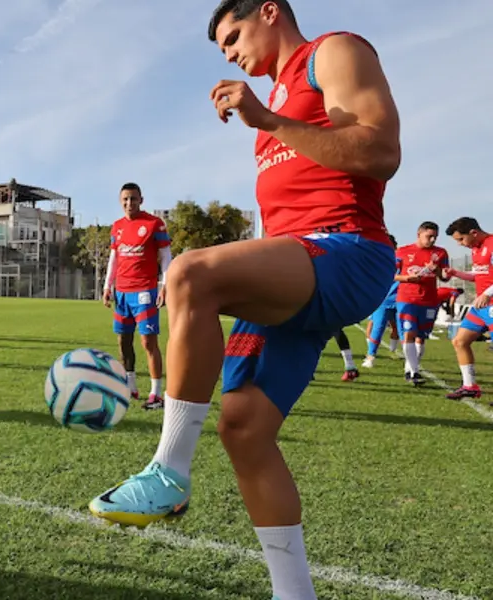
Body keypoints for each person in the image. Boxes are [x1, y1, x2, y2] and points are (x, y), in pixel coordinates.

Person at [90, 2, 401, 599]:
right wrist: (270, 119)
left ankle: (169, 472)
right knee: (243, 429)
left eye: (233, 37)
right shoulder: (274, 99)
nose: (229, 53)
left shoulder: (333, 52)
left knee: (187, 275)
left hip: (347, 251)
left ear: (269, 11)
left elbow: (380, 152)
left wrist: (269, 120)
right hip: (301, 268)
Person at [103, 182, 171, 410]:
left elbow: (165, 257)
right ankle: (130, 386)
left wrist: (165, 285)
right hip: (121, 292)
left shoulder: (154, 224)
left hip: (144, 291)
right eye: (125, 199)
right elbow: (114, 259)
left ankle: (156, 394)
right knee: (123, 341)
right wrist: (107, 286)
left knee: (148, 342)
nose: (129, 203)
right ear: (120, 201)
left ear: (141, 200)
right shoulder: (117, 227)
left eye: (133, 199)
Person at [441, 217, 492, 401]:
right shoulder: (476, 249)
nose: (460, 244)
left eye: (461, 240)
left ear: (473, 233)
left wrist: (487, 293)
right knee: (459, 341)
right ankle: (470, 386)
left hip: (490, 303)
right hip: (481, 307)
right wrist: (456, 273)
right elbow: (477, 275)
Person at [393, 222, 450, 385]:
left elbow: (445, 277)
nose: (432, 240)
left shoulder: (440, 253)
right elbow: (391, 274)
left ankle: (410, 369)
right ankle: (414, 372)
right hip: (407, 299)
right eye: (429, 236)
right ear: (419, 234)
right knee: (409, 333)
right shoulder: (403, 251)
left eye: (435, 237)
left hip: (429, 300)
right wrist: (407, 278)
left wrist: (437, 270)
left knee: (421, 337)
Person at [361, 235, 399, 368]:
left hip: (401, 299)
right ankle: (370, 356)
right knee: (377, 327)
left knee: (400, 329)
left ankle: (397, 353)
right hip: (383, 299)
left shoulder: (401, 258)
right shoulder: (378, 260)